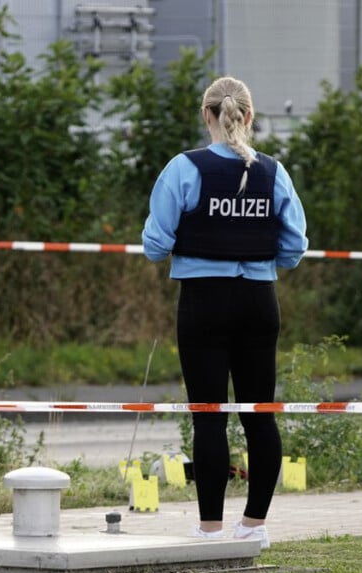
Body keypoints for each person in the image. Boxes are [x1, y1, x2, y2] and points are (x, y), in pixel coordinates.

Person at [142, 76, 309, 547]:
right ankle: (254, 526)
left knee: (209, 415)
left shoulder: (183, 168)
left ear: (206, 115)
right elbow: (295, 246)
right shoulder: (274, 172)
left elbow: (156, 244)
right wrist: (257, 259)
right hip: (259, 301)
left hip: (203, 301)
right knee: (260, 413)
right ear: (249, 117)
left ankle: (209, 529)